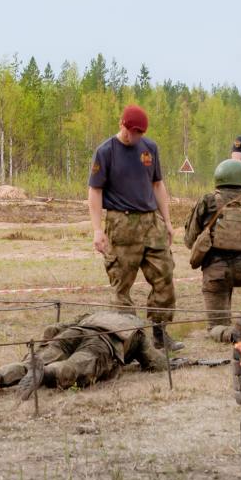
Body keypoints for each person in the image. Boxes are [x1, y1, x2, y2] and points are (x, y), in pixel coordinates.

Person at [87, 104, 183, 351]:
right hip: (121, 224)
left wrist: (168, 222)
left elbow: (158, 185)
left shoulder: (150, 149)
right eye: (133, 132)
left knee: (164, 277)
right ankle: (125, 340)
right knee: (121, 285)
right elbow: (95, 191)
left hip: (152, 223)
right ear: (123, 125)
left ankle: (160, 334)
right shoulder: (105, 151)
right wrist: (97, 230)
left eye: (140, 133)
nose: (136, 137)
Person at [0, 311, 167, 400]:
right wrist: (173, 362)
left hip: (74, 332)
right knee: (75, 368)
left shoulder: (93, 313)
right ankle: (44, 374)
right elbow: (155, 363)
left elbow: (55, 327)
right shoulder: (137, 330)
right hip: (102, 343)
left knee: (31, 363)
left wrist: (46, 345)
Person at [184, 160, 241, 341]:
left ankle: (231, 333)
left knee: (215, 326)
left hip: (216, 274)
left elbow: (190, 240)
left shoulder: (207, 200)